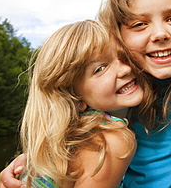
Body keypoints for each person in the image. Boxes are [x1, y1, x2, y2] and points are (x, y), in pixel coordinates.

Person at [0, 0, 171, 188]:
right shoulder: (111, 105)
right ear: (119, 33)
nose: (160, 33)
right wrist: (33, 165)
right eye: (139, 24)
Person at [16, 19, 150, 187]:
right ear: (75, 98)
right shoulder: (111, 142)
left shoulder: (69, 137)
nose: (126, 69)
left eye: (123, 57)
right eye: (100, 69)